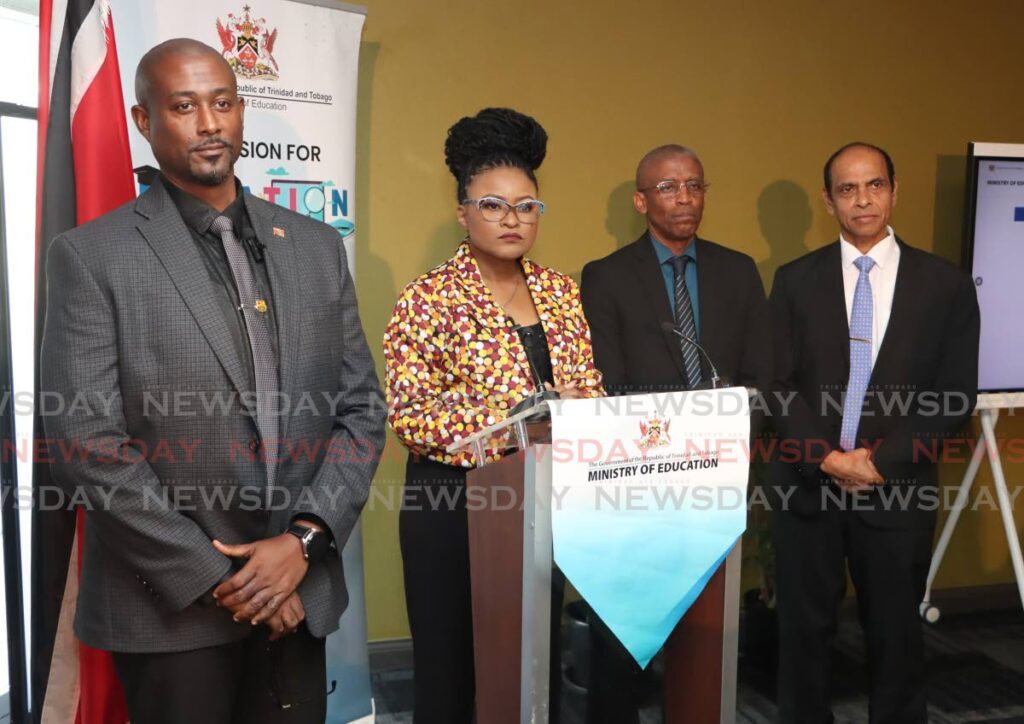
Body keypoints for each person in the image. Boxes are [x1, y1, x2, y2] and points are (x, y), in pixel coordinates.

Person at [39, 38, 385, 723]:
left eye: (222, 103)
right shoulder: (91, 255)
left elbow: (361, 409)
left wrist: (303, 543)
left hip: (299, 593)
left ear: (241, 111)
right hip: (169, 613)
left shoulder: (315, 246)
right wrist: (228, 579)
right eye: (184, 106)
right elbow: (87, 442)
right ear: (144, 121)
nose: (209, 123)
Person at [383, 107, 603, 724]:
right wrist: (524, 421)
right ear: (463, 212)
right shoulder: (427, 297)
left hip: (540, 503)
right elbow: (413, 414)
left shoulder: (560, 290)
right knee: (449, 671)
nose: (513, 220)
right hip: (452, 505)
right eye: (494, 205)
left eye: (527, 206)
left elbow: (587, 385)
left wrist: (581, 413)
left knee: (533, 660)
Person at [768, 142, 979, 723]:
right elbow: (776, 385)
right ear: (828, 200)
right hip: (807, 485)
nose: (863, 200)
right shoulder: (793, 281)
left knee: (895, 634)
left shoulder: (946, 285)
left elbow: (954, 394)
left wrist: (879, 462)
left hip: (897, 484)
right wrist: (828, 459)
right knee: (804, 632)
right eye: (847, 189)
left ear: (893, 189)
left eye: (875, 185)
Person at [578, 144, 769, 723]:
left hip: (719, 481)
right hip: (640, 486)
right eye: (667, 187)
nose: (684, 197)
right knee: (625, 642)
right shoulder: (605, 277)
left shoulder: (738, 271)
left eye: (694, 185)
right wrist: (672, 453)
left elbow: (761, 376)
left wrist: (727, 448)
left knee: (705, 639)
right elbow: (607, 390)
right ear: (641, 200)